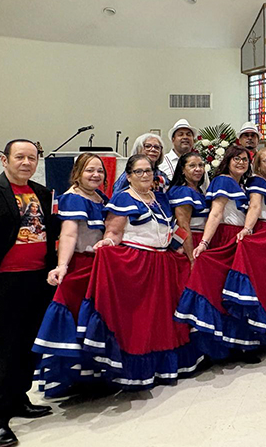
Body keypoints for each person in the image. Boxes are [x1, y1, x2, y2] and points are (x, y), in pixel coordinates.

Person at [0, 139, 59, 447]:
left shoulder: (42, 193)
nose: (26, 162)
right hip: (3, 283)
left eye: (32, 158)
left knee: (29, 345)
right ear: (5, 160)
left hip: (38, 280)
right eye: (20, 157)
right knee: (2, 349)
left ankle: (18, 399)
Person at [79, 154, 201, 389]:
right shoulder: (123, 198)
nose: (145, 175)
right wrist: (108, 243)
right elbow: (114, 232)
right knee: (142, 320)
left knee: (162, 320)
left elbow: (173, 228)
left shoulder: (160, 198)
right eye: (139, 171)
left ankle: (162, 367)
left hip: (162, 265)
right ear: (128, 176)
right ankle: (136, 371)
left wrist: (181, 250)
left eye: (148, 171)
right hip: (138, 265)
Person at [33, 153, 109, 398]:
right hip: (80, 266)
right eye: (89, 170)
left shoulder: (101, 198)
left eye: (99, 170)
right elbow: (68, 234)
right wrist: (62, 266)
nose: (95, 175)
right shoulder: (73, 198)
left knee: (92, 321)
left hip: (99, 267)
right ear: (77, 173)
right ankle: (70, 378)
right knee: (75, 320)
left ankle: (93, 375)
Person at [174, 145, 260, 362]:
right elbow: (215, 214)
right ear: (227, 161)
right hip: (225, 238)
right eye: (236, 159)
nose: (241, 162)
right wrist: (203, 243)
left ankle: (235, 343)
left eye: (244, 159)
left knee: (233, 294)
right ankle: (223, 346)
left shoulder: (240, 184)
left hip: (236, 239)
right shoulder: (223, 180)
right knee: (225, 293)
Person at [221, 147, 266, 349]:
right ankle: (256, 333)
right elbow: (255, 206)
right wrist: (247, 229)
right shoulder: (256, 182)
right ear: (258, 165)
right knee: (263, 285)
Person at [167, 152, 209, 264]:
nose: (198, 169)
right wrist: (191, 258)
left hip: (199, 241)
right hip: (189, 244)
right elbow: (183, 226)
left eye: (201, 165)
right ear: (182, 169)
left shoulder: (199, 191)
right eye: (192, 166)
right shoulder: (183, 191)